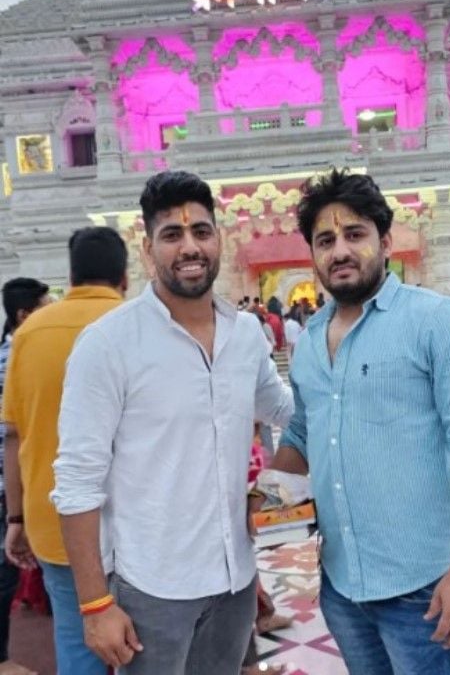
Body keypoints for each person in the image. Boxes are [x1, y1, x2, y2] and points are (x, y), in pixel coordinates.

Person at [261, 169, 450, 675]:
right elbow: (302, 433)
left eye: (354, 234)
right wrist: (265, 506)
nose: (340, 252)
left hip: (420, 589)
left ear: (385, 239)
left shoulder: (437, 322)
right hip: (340, 582)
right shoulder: (310, 338)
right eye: (325, 240)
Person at [51, 170, 293, 675]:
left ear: (218, 239)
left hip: (235, 580)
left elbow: (287, 414)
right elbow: (76, 482)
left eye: (201, 232)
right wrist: (95, 605)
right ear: (147, 250)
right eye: (172, 235)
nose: (190, 247)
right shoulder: (108, 345)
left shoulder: (245, 334)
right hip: (152, 588)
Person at [2, 228, 128, 675]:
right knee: (147, 646)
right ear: (125, 276)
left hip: (51, 517)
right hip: (133, 526)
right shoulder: (137, 321)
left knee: (77, 643)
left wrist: (15, 519)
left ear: (71, 276)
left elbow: (14, 435)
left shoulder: (29, 333)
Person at [0, 278, 50, 675]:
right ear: (24, 315)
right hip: (13, 483)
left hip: (24, 480)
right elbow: (13, 433)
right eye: (46, 304)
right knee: (4, 575)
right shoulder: (16, 355)